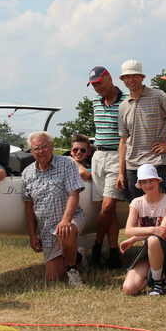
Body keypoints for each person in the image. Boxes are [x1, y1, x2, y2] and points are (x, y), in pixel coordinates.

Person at [22, 131, 86, 286]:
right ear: (32, 151)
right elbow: (29, 206)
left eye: (45, 146)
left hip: (72, 218)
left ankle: (72, 269)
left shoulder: (67, 163)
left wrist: (65, 220)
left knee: (65, 231)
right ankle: (77, 256)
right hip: (47, 229)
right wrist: (32, 235)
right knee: (53, 279)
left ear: (52, 147)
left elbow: (74, 194)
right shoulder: (26, 173)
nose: (41, 151)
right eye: (36, 148)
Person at [117, 59, 166, 203]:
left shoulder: (158, 96)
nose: (131, 79)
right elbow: (123, 141)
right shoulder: (122, 106)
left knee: (159, 206)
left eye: (135, 75)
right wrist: (120, 173)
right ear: (122, 80)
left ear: (142, 77)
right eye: (127, 76)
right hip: (132, 165)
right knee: (136, 207)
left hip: (155, 162)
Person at [119, 164, 166, 296]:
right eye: (144, 182)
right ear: (139, 185)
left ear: (158, 181)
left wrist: (136, 236)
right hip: (148, 251)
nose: (148, 185)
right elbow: (128, 230)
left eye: (151, 180)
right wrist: (136, 236)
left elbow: (163, 232)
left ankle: (158, 283)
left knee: (153, 240)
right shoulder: (136, 203)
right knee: (129, 289)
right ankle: (160, 278)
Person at [87, 66, 126, 269]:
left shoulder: (126, 100)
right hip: (98, 155)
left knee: (108, 206)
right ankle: (113, 253)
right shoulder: (95, 102)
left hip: (116, 154)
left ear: (109, 78)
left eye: (99, 83)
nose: (97, 88)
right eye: (93, 85)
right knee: (107, 210)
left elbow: (125, 137)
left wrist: (121, 168)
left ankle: (96, 245)